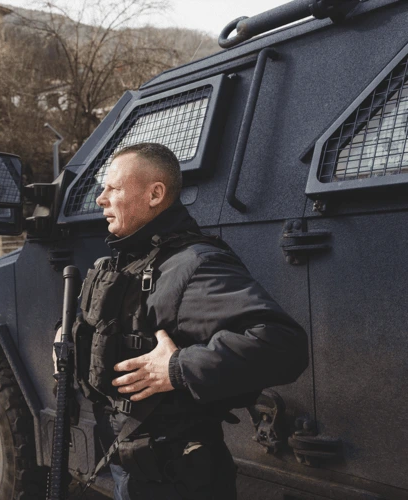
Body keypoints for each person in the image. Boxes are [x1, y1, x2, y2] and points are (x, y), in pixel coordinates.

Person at [58, 143, 309, 499]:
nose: (101, 199)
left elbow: (285, 345)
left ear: (155, 194)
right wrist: (67, 335)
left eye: (113, 188)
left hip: (179, 478)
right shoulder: (125, 261)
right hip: (130, 467)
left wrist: (177, 368)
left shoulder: (195, 264)